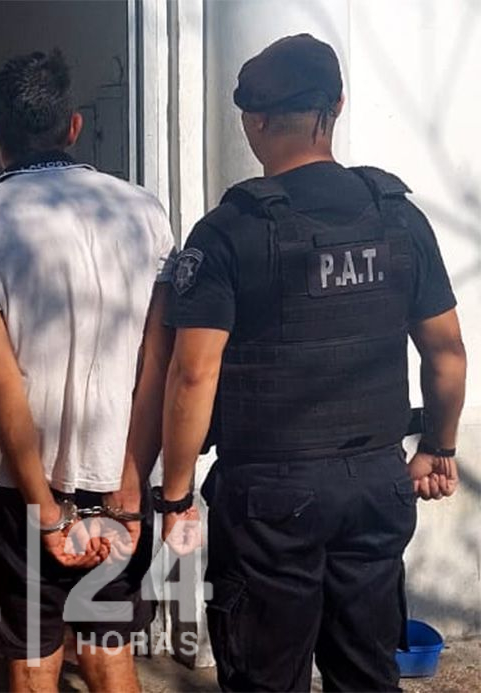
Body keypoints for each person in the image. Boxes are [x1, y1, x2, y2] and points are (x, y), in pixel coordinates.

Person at [157, 34, 466, 692]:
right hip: (377, 482)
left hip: (269, 497)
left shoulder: (229, 232)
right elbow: (446, 352)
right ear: (338, 106)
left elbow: (193, 374)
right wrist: (439, 447)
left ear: (254, 121)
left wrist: (175, 493)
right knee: (368, 674)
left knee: (266, 679)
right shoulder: (399, 219)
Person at [0, 49, 175, 692]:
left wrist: (44, 510)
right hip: (119, 470)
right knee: (109, 650)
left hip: (16, 486)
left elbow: (0, 379)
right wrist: (131, 490)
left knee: (31, 656)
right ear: (73, 127)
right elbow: (159, 363)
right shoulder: (144, 212)